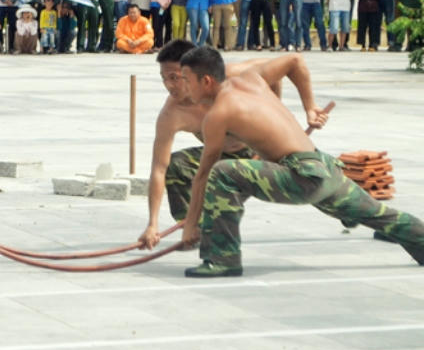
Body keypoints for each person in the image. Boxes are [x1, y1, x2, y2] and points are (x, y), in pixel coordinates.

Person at [175, 46, 424, 277]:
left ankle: (222, 258)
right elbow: (295, 60)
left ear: (206, 81)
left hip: (303, 176)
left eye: (186, 80)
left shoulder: (218, 114)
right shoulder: (251, 78)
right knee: (379, 214)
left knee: (223, 172)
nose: (184, 88)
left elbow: (203, 175)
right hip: (323, 168)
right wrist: (310, 107)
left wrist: (191, 225)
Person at [137, 39, 287, 250]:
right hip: (221, 157)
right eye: (164, 78)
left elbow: (277, 69)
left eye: (175, 77)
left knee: (313, 185)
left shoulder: (228, 77)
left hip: (261, 150)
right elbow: (159, 169)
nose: (169, 85)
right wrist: (152, 224)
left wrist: (275, 110)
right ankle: (195, 230)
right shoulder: (172, 113)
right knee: (176, 165)